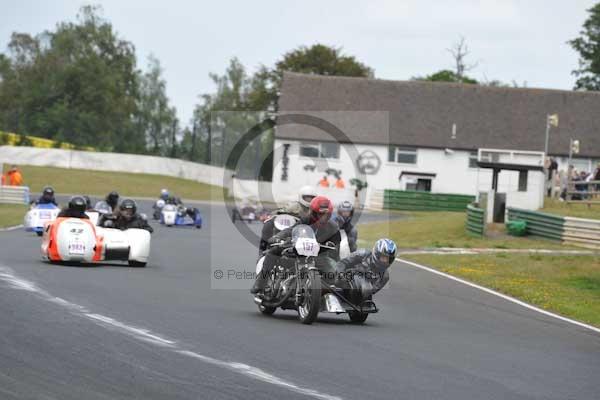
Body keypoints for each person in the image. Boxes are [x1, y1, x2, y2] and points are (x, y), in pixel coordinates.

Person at [251, 196, 340, 294]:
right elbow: (291, 229)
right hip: (298, 248)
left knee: (332, 273)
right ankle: (261, 282)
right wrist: (279, 236)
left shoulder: (333, 227)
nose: (323, 217)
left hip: (318, 254)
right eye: (320, 214)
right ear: (314, 213)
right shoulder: (306, 220)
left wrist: (333, 251)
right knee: (273, 252)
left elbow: (336, 247)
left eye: (325, 215)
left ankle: (320, 292)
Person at [258, 185, 317, 253]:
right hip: (293, 228)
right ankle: (263, 250)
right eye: (307, 197)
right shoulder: (293, 206)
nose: (309, 200)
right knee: (268, 224)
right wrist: (274, 216)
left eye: (312, 198)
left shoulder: (316, 209)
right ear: (301, 197)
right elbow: (280, 212)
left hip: (308, 234)